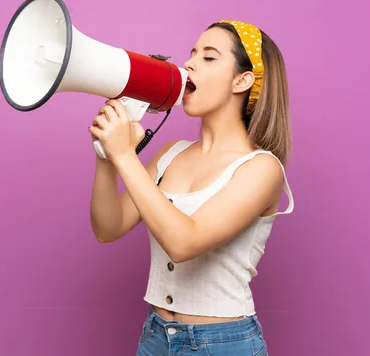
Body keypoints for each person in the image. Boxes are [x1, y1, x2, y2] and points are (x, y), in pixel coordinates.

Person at [88, 20, 294, 355]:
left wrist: (125, 155)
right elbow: (108, 228)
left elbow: (183, 243)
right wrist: (106, 157)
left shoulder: (261, 168)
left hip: (224, 344)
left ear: (242, 81)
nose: (189, 64)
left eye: (209, 58)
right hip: (155, 337)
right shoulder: (171, 154)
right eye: (192, 53)